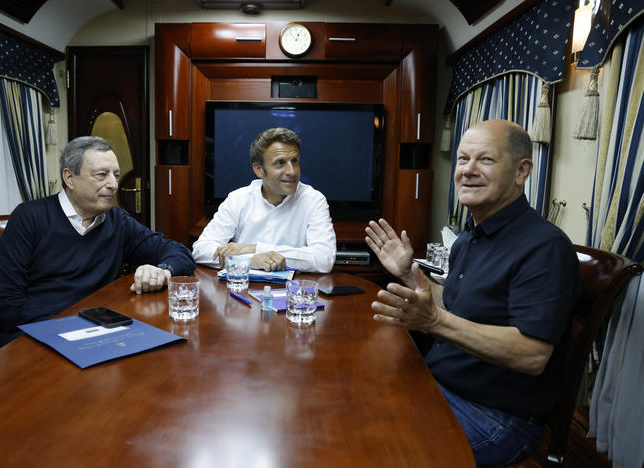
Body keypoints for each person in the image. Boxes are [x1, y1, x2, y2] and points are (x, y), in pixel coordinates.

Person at [365, 120, 581, 467]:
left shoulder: (545, 247)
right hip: (440, 387)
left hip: (496, 419)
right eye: (463, 159)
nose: (468, 170)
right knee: (344, 404)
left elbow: (532, 355)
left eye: (486, 160)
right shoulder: (468, 240)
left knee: (363, 447)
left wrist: (434, 322)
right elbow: (452, 306)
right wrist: (408, 273)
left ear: (521, 171)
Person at [0, 136, 195, 355]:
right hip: (33, 335)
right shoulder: (29, 217)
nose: (113, 184)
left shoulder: (117, 220)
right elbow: (4, 300)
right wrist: (75, 327)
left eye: (116, 175)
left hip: (97, 333)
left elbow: (180, 253)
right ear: (69, 178)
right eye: (101, 175)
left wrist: (163, 270)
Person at [192, 127, 336, 273]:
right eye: (280, 163)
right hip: (242, 289)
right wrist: (249, 260)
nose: (292, 171)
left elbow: (324, 259)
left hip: (293, 291)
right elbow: (201, 249)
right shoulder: (238, 199)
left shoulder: (313, 200)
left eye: (294, 161)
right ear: (259, 169)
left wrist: (255, 248)